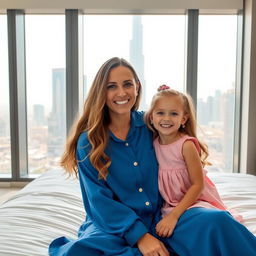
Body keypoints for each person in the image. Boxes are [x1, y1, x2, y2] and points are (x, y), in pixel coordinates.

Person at [49, 58, 256, 256]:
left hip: (164, 216)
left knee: (217, 221)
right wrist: (140, 237)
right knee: (83, 251)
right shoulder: (89, 141)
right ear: (101, 92)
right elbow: (98, 201)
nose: (121, 92)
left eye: (127, 84)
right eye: (111, 86)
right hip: (115, 224)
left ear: (137, 87)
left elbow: (179, 138)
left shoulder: (153, 124)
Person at [144, 85, 244, 238]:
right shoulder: (153, 144)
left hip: (194, 199)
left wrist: (174, 216)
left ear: (183, 119)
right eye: (160, 113)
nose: (166, 118)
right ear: (151, 117)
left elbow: (198, 185)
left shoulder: (186, 145)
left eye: (174, 114)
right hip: (171, 203)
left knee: (211, 220)